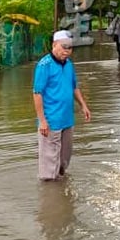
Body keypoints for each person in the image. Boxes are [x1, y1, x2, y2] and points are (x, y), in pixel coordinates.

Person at [33, 30, 92, 181]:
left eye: (70, 48)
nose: (67, 51)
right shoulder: (44, 65)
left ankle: (61, 187)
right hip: (51, 121)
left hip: (67, 119)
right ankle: (50, 194)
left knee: (64, 159)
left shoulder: (69, 65)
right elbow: (37, 93)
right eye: (63, 47)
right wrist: (42, 121)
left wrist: (83, 106)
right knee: (49, 163)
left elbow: (74, 87)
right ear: (54, 45)